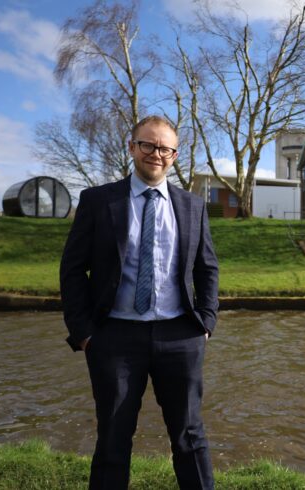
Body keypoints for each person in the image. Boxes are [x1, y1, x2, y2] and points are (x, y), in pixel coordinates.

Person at [60, 115, 219, 489]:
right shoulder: (98, 201)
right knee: (113, 438)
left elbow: (207, 268)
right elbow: (72, 270)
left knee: (190, 437)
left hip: (180, 335)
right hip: (114, 337)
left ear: (175, 156)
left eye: (165, 148)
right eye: (147, 144)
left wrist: (206, 323)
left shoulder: (193, 205)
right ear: (132, 148)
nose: (156, 154)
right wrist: (83, 332)